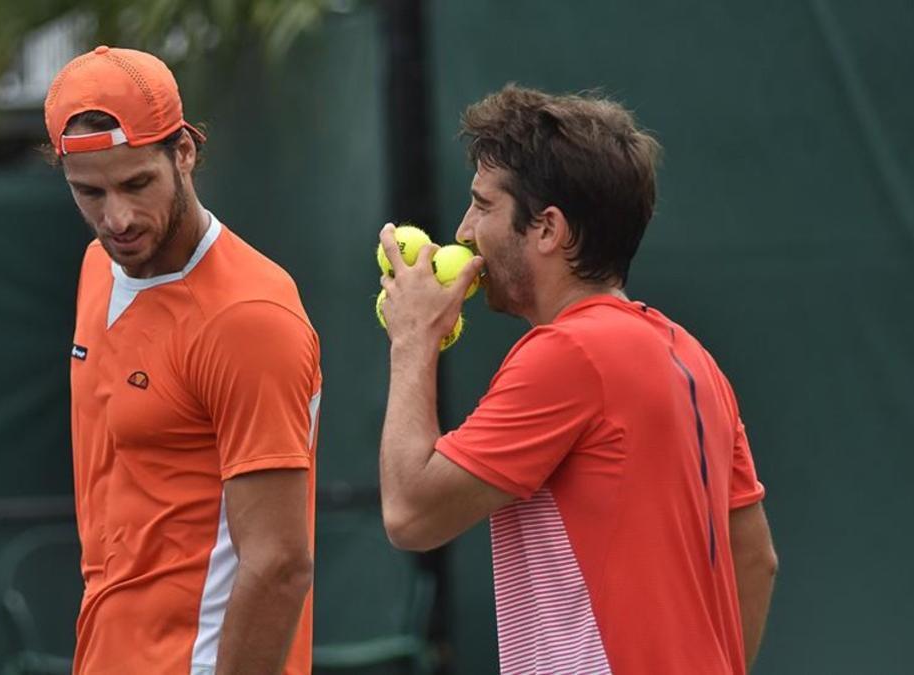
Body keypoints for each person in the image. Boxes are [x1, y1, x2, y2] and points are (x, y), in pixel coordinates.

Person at [377, 85, 777, 674]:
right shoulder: (696, 360)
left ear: (548, 229)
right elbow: (757, 559)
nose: (463, 232)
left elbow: (410, 513)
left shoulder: (567, 353)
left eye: (483, 206)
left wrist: (413, 340)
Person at [45, 46, 321, 675]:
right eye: (89, 193)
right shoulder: (99, 268)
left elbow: (280, 563)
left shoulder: (248, 318)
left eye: (136, 184)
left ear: (185, 152)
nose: (116, 219)